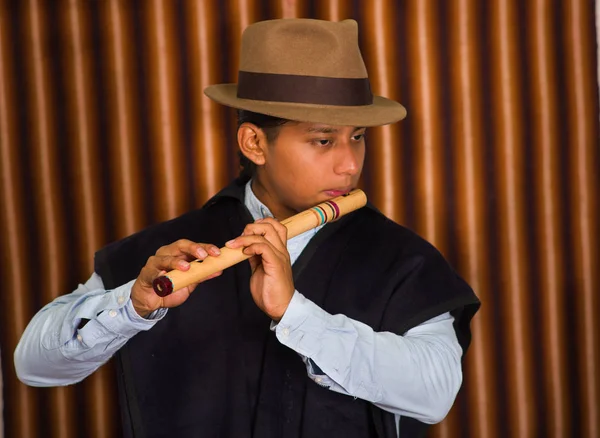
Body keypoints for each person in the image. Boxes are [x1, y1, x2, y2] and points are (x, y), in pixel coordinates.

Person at [15, 18, 480, 438]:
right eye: (324, 140)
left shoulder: (405, 259)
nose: (349, 165)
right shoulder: (164, 252)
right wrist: (132, 306)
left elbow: (434, 393)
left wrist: (295, 314)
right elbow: (33, 365)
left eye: (357, 137)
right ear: (254, 142)